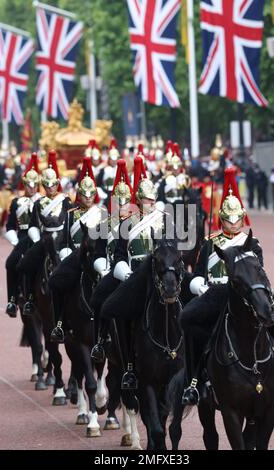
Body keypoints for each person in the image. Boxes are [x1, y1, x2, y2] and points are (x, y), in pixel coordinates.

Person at [181, 168, 274, 406]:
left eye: (237, 219)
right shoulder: (210, 244)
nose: (233, 224)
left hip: (248, 296)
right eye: (229, 220)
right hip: (215, 295)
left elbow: (260, 272)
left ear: (242, 218)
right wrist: (201, 287)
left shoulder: (253, 244)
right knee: (188, 320)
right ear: (222, 219)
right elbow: (198, 275)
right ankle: (193, 381)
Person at [92, 155, 173, 389]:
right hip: (134, 277)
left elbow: (174, 251)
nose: (151, 203)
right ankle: (110, 351)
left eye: (153, 199)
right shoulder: (127, 223)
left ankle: (196, 370)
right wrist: (125, 273)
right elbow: (119, 254)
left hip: (162, 275)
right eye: (147, 200)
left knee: (191, 303)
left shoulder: (165, 220)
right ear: (139, 200)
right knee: (106, 302)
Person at [48, 157, 102, 343]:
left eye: (90, 194)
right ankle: (60, 324)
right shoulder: (71, 216)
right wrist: (65, 255)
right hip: (75, 258)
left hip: (97, 259)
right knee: (55, 282)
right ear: (79, 194)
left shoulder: (101, 215)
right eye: (84, 194)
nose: (88, 197)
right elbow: (64, 242)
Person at [17, 150, 72, 316]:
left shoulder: (65, 200)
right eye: (46, 185)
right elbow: (33, 224)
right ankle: (31, 298)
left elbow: (70, 222)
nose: (50, 188)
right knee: (26, 263)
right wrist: (35, 238)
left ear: (57, 183)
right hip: (45, 238)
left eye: (53, 185)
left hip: (63, 238)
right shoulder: (39, 203)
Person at [90, 158, 133, 362]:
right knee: (98, 298)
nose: (122, 206)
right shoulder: (104, 224)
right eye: (119, 202)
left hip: (136, 274)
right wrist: (104, 270)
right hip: (112, 272)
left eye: (126, 202)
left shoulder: (139, 223)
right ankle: (100, 338)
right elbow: (99, 254)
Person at [4, 153, 41, 317]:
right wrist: (14, 241)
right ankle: (12, 300)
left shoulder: (44, 201)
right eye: (29, 185)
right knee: (11, 262)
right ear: (24, 184)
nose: (32, 188)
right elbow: (10, 226)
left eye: (34, 185)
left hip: (41, 238)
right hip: (23, 239)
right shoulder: (16, 202)